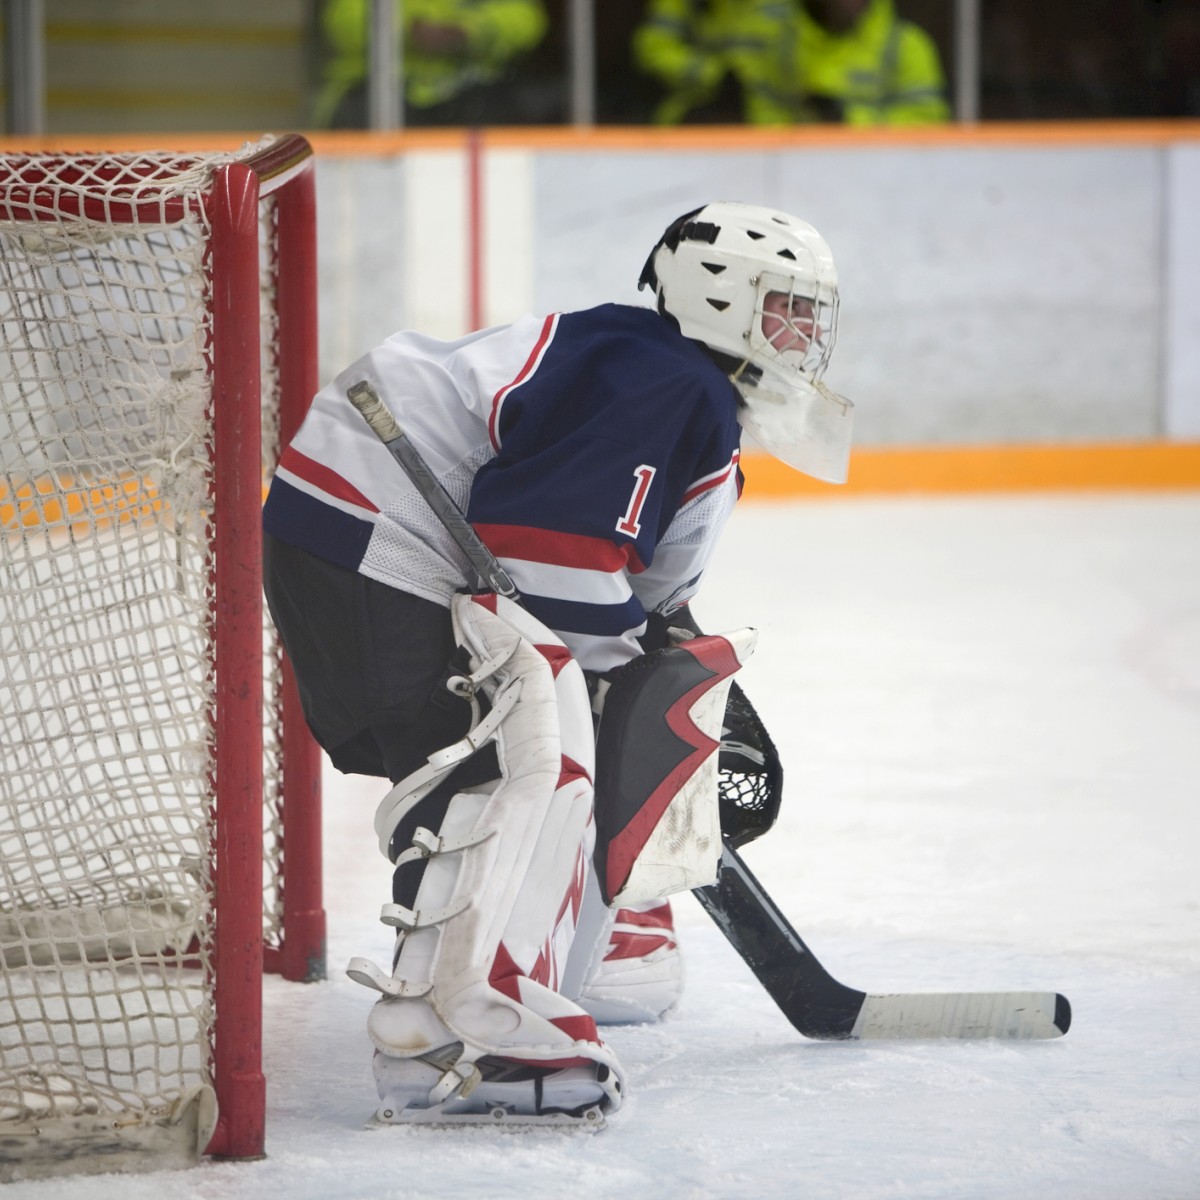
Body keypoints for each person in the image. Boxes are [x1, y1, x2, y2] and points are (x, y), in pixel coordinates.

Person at [261, 202, 853, 1124]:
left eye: (815, 315)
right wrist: (629, 678)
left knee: (533, 733)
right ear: (720, 295)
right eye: (788, 308)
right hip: (379, 541)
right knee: (513, 758)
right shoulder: (670, 382)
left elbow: (612, 577)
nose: (806, 336)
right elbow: (545, 555)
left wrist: (643, 659)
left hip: (363, 536)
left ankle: (558, 950)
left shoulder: (669, 383)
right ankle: (451, 1035)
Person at [633, 0, 949, 126]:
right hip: (782, 170)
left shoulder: (908, 45)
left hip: (875, 180)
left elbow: (929, 129)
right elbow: (766, 113)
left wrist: (850, 119)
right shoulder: (780, 36)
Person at [316, 0, 549, 128]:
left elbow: (528, 18)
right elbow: (341, 20)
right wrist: (406, 31)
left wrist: (471, 32)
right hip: (377, 96)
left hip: (474, 95)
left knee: (510, 112)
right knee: (357, 115)